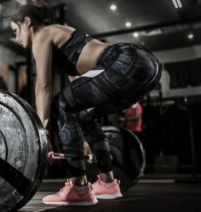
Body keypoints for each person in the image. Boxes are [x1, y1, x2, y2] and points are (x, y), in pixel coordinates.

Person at [10, 4, 161, 206]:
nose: (16, 39)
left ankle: (78, 187)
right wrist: (82, 140)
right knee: (82, 113)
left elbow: (44, 86)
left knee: (60, 103)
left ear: (27, 22)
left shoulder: (43, 34)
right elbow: (79, 95)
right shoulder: (63, 41)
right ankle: (108, 182)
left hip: (126, 61)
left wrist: (42, 130)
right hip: (144, 68)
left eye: (15, 30)